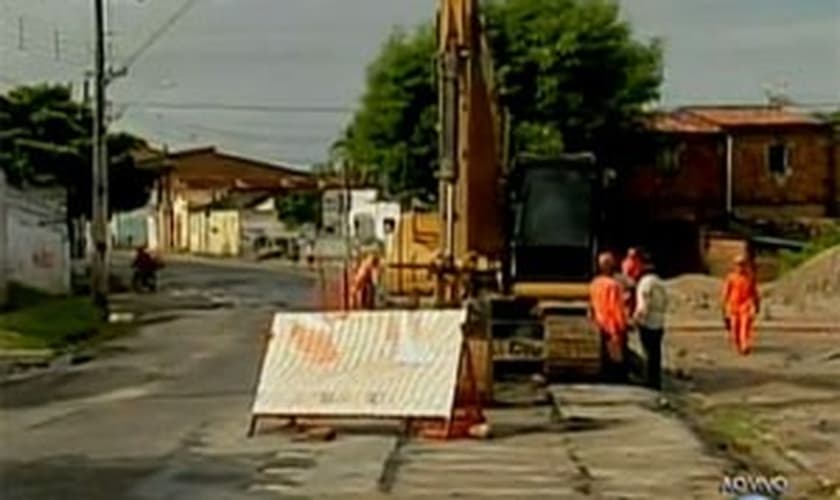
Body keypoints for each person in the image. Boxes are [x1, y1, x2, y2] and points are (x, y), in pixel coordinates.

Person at [590, 252, 630, 382]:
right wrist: (623, 325)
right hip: (612, 324)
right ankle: (617, 378)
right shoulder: (613, 286)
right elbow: (616, 307)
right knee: (616, 355)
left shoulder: (595, 283)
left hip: (599, 321)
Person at [633, 254, 669, 390]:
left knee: (648, 352)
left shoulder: (646, 283)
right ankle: (655, 380)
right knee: (656, 353)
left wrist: (637, 318)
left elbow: (644, 302)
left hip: (648, 321)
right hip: (659, 321)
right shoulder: (660, 283)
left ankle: (649, 381)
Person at [722, 254, 761, 355]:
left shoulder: (750, 277)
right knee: (735, 327)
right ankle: (738, 345)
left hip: (746, 305)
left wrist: (757, 305)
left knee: (745, 326)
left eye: (743, 264)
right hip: (733, 305)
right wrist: (723, 307)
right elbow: (726, 292)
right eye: (738, 264)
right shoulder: (731, 278)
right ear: (734, 266)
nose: (741, 267)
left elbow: (755, 293)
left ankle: (745, 346)